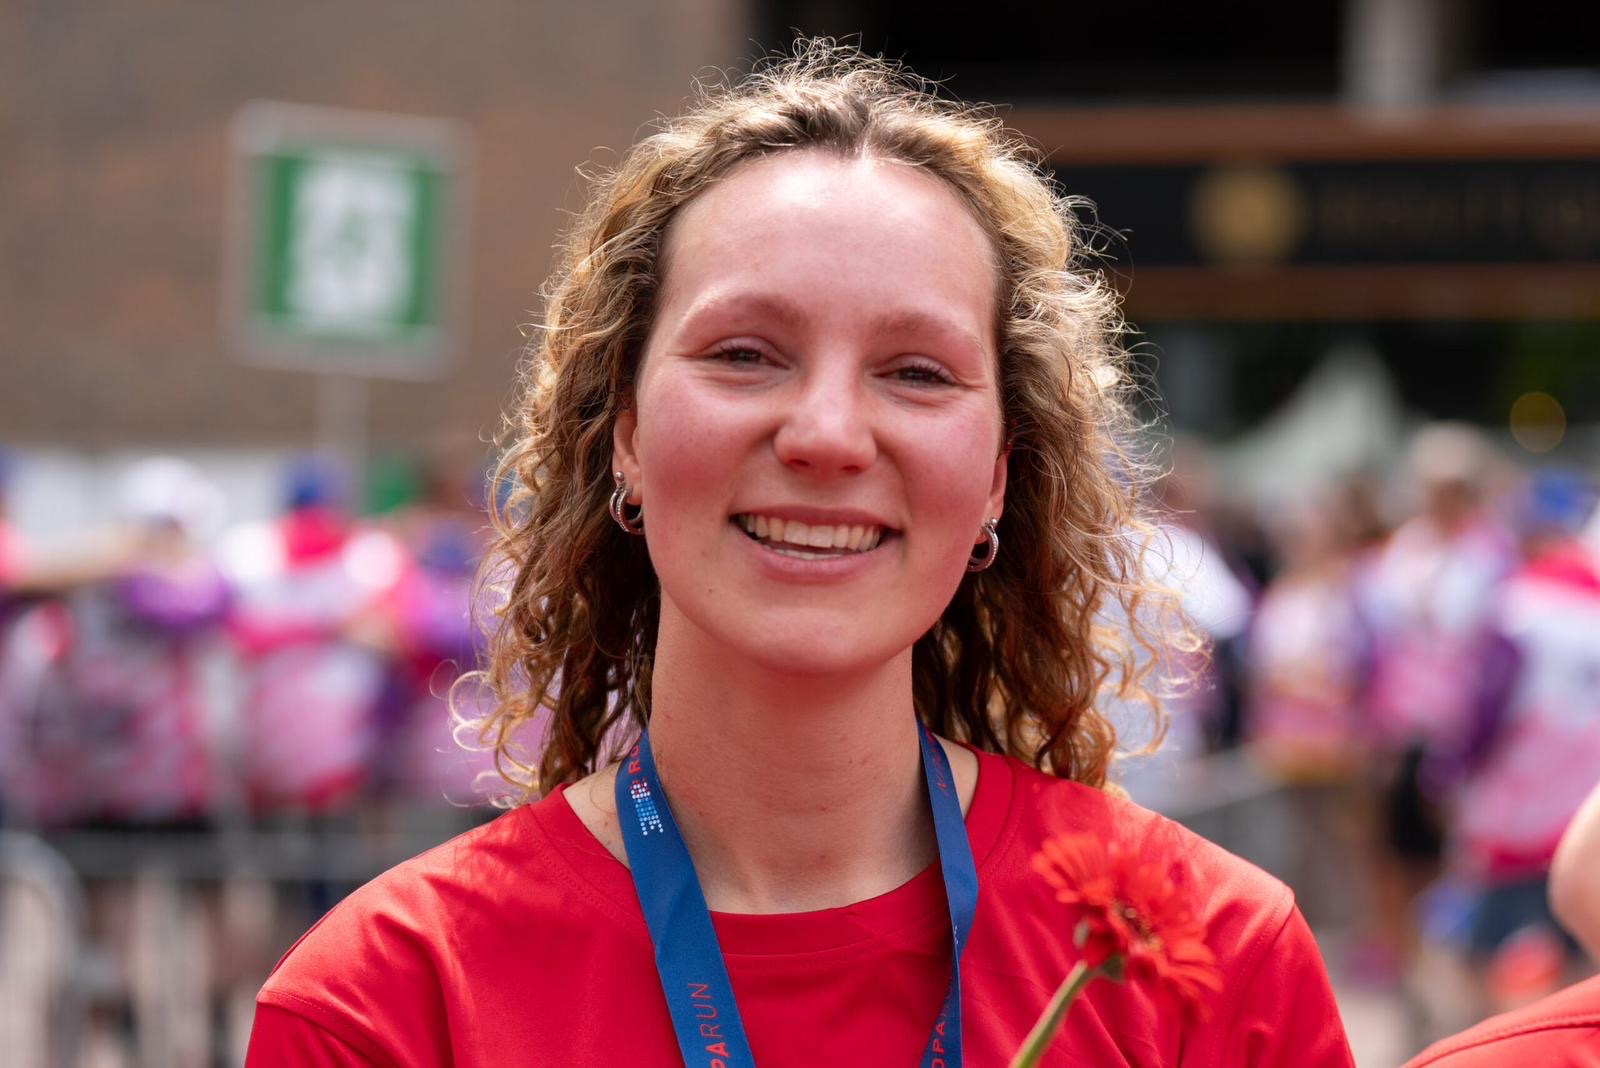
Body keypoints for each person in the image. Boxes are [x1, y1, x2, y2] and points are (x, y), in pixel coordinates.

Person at [246, 44, 1352, 1066]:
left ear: (998, 475)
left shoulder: (1203, 961)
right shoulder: (388, 1001)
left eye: (916, 372)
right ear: (625, 433)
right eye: (744, 354)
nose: (826, 435)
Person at [1403, 775, 1600, 1066]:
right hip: (1503, 857)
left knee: (1560, 980)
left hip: (1518, 855)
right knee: (1485, 968)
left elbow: (1578, 883)